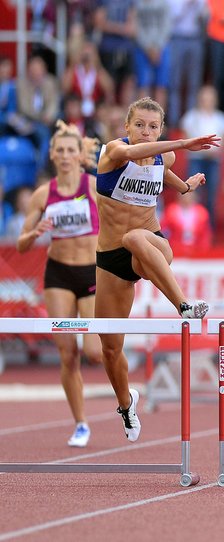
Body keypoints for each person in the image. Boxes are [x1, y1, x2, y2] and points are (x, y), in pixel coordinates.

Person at [94, 97, 220, 442]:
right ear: (126, 127)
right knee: (109, 348)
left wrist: (185, 186)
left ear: (160, 129)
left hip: (152, 244)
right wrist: (183, 143)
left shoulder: (166, 155)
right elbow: (139, 159)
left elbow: (160, 171)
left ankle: (184, 305)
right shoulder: (112, 152)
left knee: (135, 235)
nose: (146, 133)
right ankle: (125, 404)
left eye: (152, 127)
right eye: (139, 126)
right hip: (111, 260)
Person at [16, 121, 103, 447]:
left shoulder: (93, 186)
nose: (65, 156)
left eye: (71, 150)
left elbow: (121, 214)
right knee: (67, 353)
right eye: (60, 150)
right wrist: (35, 233)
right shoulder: (43, 194)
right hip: (58, 275)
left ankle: (122, 394)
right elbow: (22, 244)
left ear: (80, 155)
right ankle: (81, 423)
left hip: (91, 272)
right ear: (52, 154)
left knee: (94, 351)